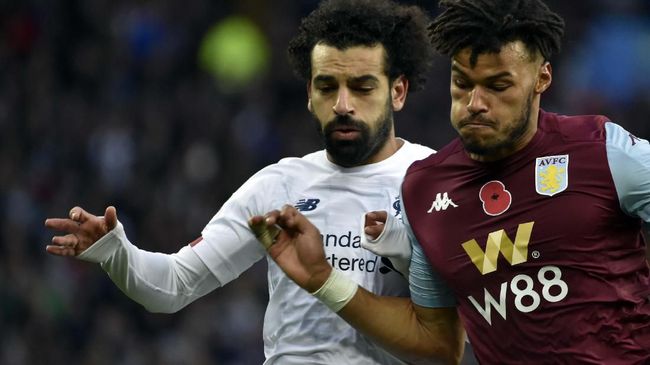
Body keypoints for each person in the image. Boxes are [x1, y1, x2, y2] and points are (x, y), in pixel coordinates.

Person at [249, 0, 650, 363]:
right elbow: (437, 343)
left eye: (498, 86)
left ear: (541, 79)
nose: (475, 103)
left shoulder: (602, 150)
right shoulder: (423, 190)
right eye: (463, 83)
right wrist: (324, 280)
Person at [44, 0, 441, 364]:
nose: (341, 104)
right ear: (308, 94)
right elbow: (173, 286)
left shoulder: (434, 181)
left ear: (398, 91)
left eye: (362, 87)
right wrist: (116, 252)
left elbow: (454, 334)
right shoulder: (279, 185)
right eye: (326, 87)